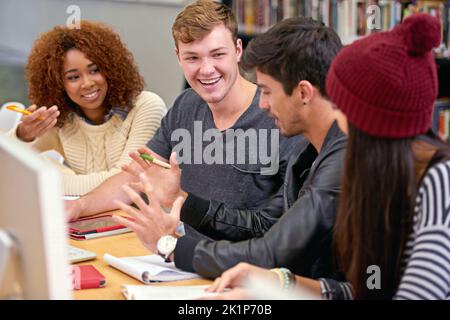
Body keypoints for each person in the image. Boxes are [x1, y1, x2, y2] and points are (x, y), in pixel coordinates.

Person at [206, 13, 450, 300]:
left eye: (340, 104)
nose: (334, 116)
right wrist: (280, 283)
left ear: (365, 121)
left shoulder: (439, 181)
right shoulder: (378, 181)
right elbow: (368, 292)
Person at [113, 16, 346, 281]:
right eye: (193, 58)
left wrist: (170, 246)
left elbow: (270, 251)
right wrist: (183, 201)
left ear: (303, 93)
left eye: (267, 91)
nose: (262, 104)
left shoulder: (341, 161)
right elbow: (266, 227)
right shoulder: (312, 153)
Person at [66, 0, 301, 228]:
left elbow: (280, 227)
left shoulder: (278, 116)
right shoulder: (185, 106)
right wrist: (78, 206)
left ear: (238, 50)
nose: (207, 69)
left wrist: (178, 202)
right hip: (181, 254)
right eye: (192, 58)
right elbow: (134, 176)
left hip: (240, 260)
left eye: (218, 54)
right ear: (178, 57)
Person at [9, 20, 167, 196]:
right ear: (58, 83)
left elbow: (127, 181)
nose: (88, 83)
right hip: (94, 218)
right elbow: (6, 168)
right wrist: (23, 135)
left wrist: (46, 181)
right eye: (73, 77)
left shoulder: (147, 107)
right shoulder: (61, 119)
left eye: (95, 70)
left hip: (147, 219)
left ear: (111, 68)